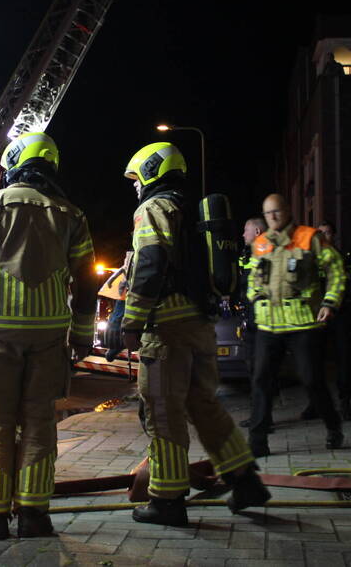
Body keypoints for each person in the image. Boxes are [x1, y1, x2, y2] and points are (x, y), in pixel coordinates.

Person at [0, 132, 95, 540]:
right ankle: (34, 515)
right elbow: (85, 283)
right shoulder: (72, 215)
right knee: (40, 424)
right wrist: (81, 336)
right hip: (48, 338)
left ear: (16, 164)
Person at [110, 142, 270, 527]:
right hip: (199, 326)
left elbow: (149, 265)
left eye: (137, 178)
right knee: (205, 406)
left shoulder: (154, 208)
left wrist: (131, 322)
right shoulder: (192, 209)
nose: (135, 187)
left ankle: (166, 501)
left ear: (152, 170)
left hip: (166, 329)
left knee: (164, 415)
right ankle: (244, 479)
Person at [247, 194, 346, 458]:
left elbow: (336, 269)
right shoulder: (260, 243)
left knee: (311, 378)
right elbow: (253, 277)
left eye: (277, 211)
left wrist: (330, 302)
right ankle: (257, 441)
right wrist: (254, 295)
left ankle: (333, 425)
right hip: (269, 325)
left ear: (288, 211)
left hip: (302, 322)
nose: (274, 217)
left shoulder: (308, 237)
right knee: (261, 380)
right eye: (268, 214)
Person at [300, 220, 351, 422]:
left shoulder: (343, 257)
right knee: (312, 360)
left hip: (340, 315)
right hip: (315, 316)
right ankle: (314, 403)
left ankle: (345, 403)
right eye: (320, 233)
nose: (324, 236)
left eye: (327, 233)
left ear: (333, 235)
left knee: (343, 359)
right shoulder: (309, 258)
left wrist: (348, 277)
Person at [238, 216, 272, 430]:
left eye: (246, 230)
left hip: (263, 322)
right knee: (255, 371)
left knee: (261, 372)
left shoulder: (267, 252)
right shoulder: (248, 254)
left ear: (257, 232)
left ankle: (263, 420)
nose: (243, 235)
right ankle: (260, 416)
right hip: (252, 320)